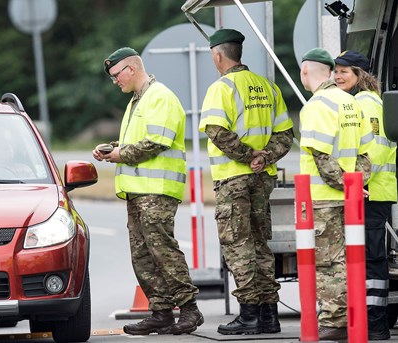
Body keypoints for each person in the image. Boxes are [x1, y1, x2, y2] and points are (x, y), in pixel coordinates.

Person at [92, 47, 203, 335]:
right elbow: (137, 139)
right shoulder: (136, 102)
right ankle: (161, 311)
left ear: (131, 68)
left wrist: (120, 154)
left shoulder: (160, 96)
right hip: (137, 190)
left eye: (117, 75)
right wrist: (112, 148)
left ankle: (189, 308)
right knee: (142, 255)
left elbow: (156, 141)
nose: (115, 80)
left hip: (157, 190)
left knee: (162, 250)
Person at [198, 28, 294, 335]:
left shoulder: (221, 88)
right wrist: (263, 158)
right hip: (262, 178)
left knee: (238, 246)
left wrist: (245, 156)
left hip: (233, 178)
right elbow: (285, 135)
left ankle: (249, 315)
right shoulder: (267, 87)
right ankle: (269, 315)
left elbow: (216, 130)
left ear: (218, 55)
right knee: (260, 245)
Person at [299, 47, 374, 341]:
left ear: (306, 72)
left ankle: (335, 321)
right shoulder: (351, 103)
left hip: (323, 197)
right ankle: (345, 318)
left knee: (328, 262)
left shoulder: (317, 105)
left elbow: (320, 156)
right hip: (349, 197)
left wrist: (342, 184)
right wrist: (356, 185)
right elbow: (365, 156)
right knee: (347, 258)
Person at [334, 50, 396, 341]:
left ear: (360, 74)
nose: (337, 76)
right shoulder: (360, 101)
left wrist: (359, 181)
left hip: (372, 191)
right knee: (367, 257)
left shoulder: (366, 102)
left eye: (344, 71)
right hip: (369, 189)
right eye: (335, 70)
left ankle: (376, 323)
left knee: (372, 259)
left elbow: (376, 148)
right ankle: (370, 321)